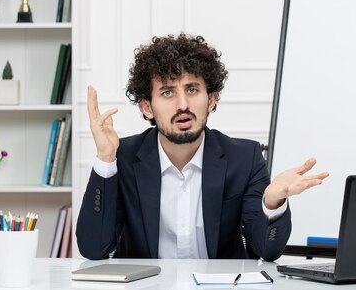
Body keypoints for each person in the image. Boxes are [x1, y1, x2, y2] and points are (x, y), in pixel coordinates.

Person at [76, 33, 328, 261]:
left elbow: (265, 251)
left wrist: (272, 203)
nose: (182, 104)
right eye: (167, 92)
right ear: (146, 107)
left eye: (192, 89)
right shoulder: (125, 157)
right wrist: (106, 158)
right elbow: (93, 249)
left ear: (211, 98)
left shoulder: (245, 158)